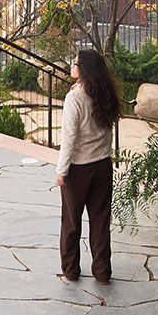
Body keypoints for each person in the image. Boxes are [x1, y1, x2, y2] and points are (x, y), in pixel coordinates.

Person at [56, 47, 121, 283]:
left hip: (78, 169)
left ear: (84, 69)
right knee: (100, 221)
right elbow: (108, 133)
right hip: (102, 165)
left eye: (75, 63)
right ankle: (102, 273)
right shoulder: (105, 94)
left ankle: (71, 271)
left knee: (71, 223)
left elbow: (69, 138)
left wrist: (61, 170)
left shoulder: (74, 98)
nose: (72, 66)